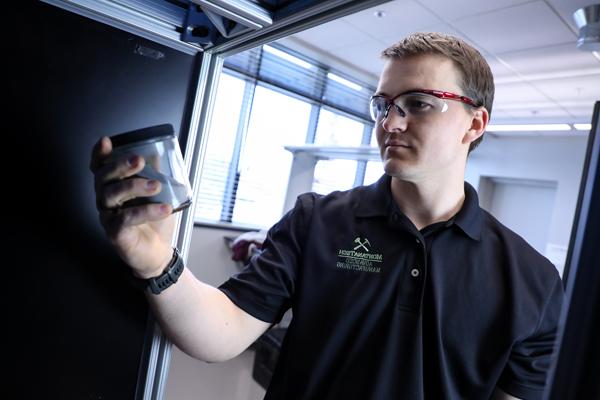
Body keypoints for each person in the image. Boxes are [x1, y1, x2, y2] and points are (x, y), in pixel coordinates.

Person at [90, 32, 563, 400]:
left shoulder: (533, 282)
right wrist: (158, 263)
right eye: (383, 105)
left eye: (418, 104)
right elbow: (223, 332)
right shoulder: (316, 220)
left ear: (475, 124)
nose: (390, 124)